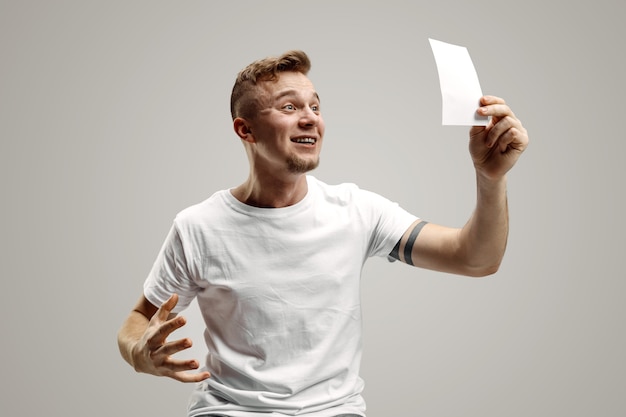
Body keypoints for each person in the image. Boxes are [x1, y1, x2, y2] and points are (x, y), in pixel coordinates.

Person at [117, 50, 528, 417]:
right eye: (290, 106)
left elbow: (476, 258)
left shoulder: (357, 211)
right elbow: (138, 320)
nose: (310, 116)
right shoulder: (198, 227)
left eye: (315, 106)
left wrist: (489, 178)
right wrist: (139, 352)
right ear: (246, 130)